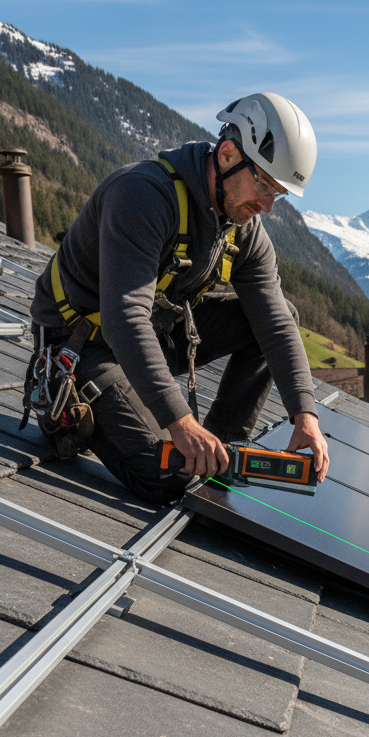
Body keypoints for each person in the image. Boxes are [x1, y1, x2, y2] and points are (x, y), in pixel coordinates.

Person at [27, 92, 329, 503]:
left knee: (282, 317)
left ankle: (221, 450)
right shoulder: (142, 195)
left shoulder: (240, 226)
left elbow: (276, 323)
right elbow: (124, 318)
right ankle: (71, 412)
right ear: (226, 155)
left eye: (278, 194)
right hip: (83, 344)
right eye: (263, 185)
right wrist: (181, 422)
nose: (268, 205)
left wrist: (304, 412)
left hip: (156, 329)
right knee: (166, 472)